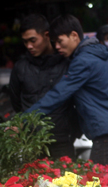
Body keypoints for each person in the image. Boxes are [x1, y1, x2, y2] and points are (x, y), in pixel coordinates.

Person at [25, 14, 108, 169]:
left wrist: (24, 119)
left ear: (74, 35)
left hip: (106, 135)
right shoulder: (99, 54)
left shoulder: (83, 61)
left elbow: (58, 94)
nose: (57, 47)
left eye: (60, 41)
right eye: (54, 43)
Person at [9, 14, 78, 159]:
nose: (29, 46)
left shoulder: (67, 63)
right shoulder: (20, 67)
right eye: (25, 42)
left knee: (68, 181)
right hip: (31, 143)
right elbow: (16, 102)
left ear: (47, 35)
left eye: (33, 40)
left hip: (61, 141)